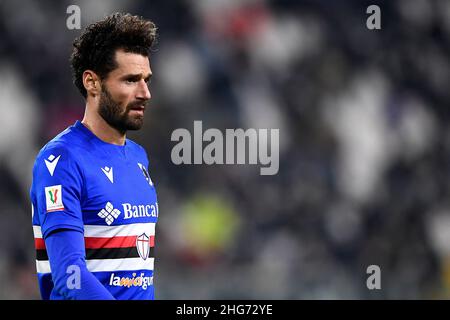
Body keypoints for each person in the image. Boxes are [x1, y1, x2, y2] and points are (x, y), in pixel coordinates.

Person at [30, 12, 159, 300]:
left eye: (146, 80)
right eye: (130, 80)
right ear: (92, 83)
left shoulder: (139, 158)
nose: (145, 92)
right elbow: (68, 276)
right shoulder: (61, 160)